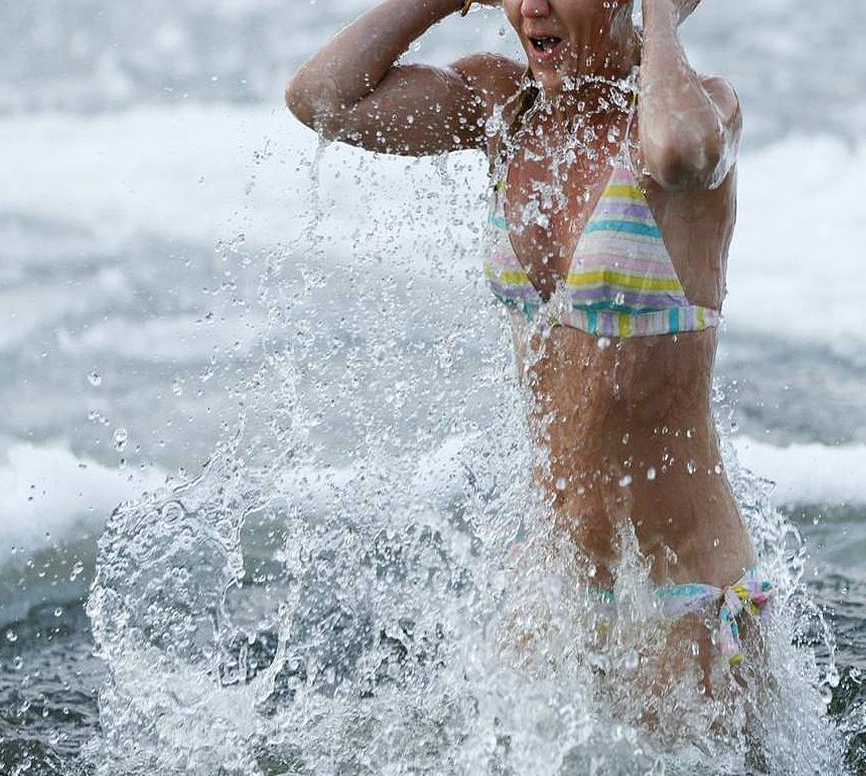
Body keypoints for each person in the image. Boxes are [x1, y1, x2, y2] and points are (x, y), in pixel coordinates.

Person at [285, 0, 771, 701]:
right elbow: (320, 100)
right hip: (550, 592)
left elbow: (675, 154)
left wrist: (658, 15)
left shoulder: (703, 109)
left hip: (686, 599)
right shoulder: (501, 107)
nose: (531, 6)